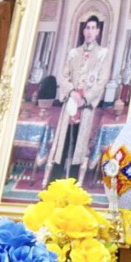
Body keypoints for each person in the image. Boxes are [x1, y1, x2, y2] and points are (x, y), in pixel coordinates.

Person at [46, 14, 111, 182]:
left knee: (79, 144)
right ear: (84, 31)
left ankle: (73, 181)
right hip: (71, 101)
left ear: (97, 31)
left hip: (86, 106)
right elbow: (63, 76)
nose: (89, 31)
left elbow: (102, 81)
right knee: (64, 140)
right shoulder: (74, 53)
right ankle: (55, 179)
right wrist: (71, 92)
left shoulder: (103, 54)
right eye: (87, 28)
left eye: (93, 28)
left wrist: (86, 98)